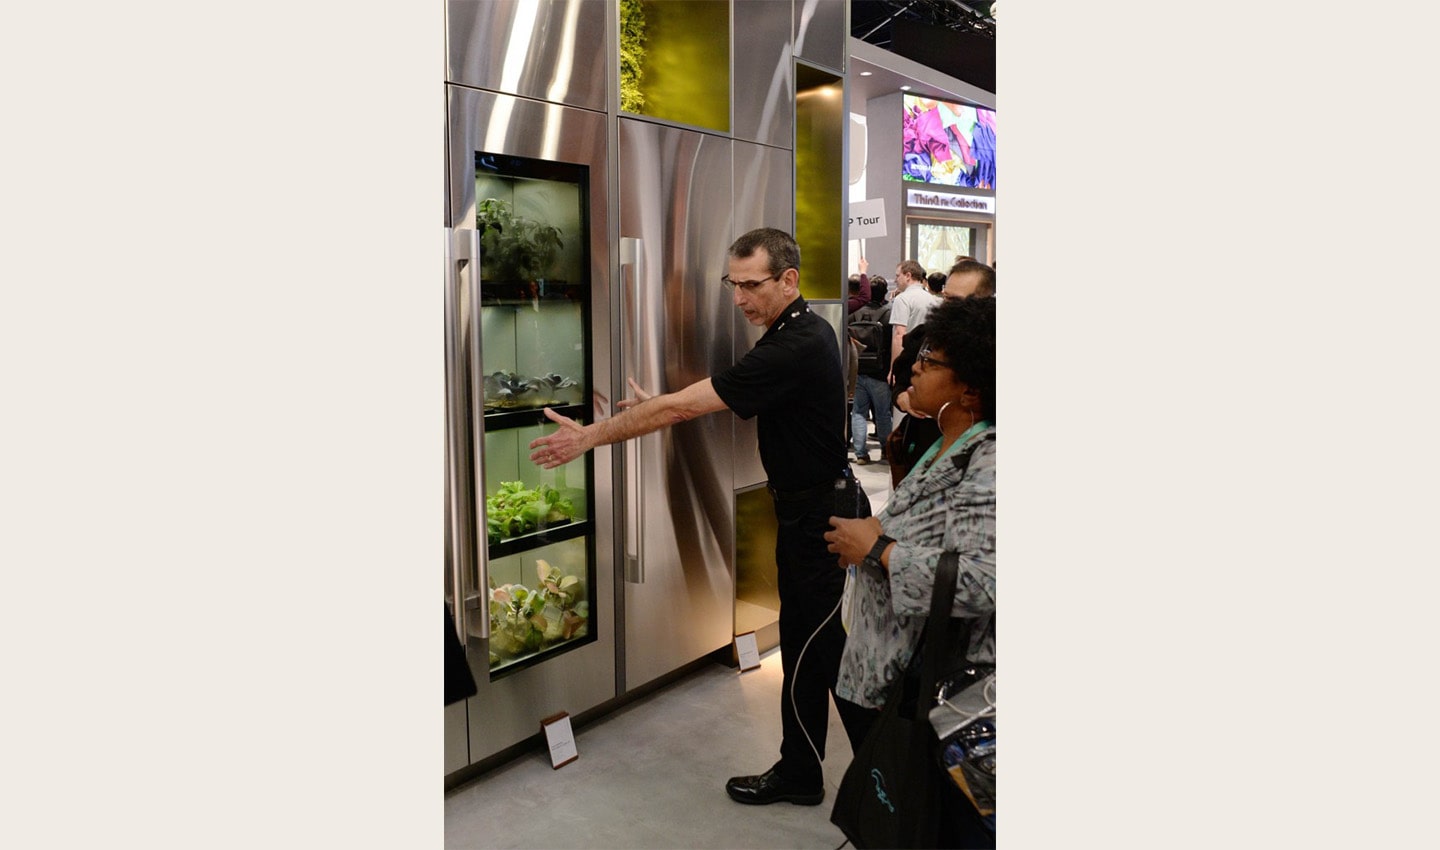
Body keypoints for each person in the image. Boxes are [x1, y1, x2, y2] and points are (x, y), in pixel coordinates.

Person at [528, 227, 872, 806]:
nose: (738, 299)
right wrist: (658, 405)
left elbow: (691, 404)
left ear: (788, 280)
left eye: (750, 285)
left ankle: (887, 791)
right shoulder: (791, 333)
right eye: (731, 285)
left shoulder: (796, 343)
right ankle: (816, 774)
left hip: (823, 520)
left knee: (818, 652)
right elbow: (707, 397)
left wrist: (591, 437)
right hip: (807, 513)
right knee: (814, 648)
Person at [824, 295, 997, 848]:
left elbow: (983, 582)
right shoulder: (946, 438)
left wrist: (877, 550)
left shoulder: (991, 459)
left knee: (922, 819)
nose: (914, 366)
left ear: (970, 388)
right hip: (884, 671)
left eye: (930, 360)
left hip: (925, 691)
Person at [847, 279, 891, 465]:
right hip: (879, 371)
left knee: (858, 413)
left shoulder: (854, 313)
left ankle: (861, 454)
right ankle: (886, 451)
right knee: (882, 414)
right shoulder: (888, 314)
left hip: (858, 370)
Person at [888, 259, 938, 381]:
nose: (895, 280)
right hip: (927, 361)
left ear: (908, 276)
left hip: (907, 363)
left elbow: (899, 335)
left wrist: (894, 370)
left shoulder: (902, 299)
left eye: (898, 275)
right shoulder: (933, 300)